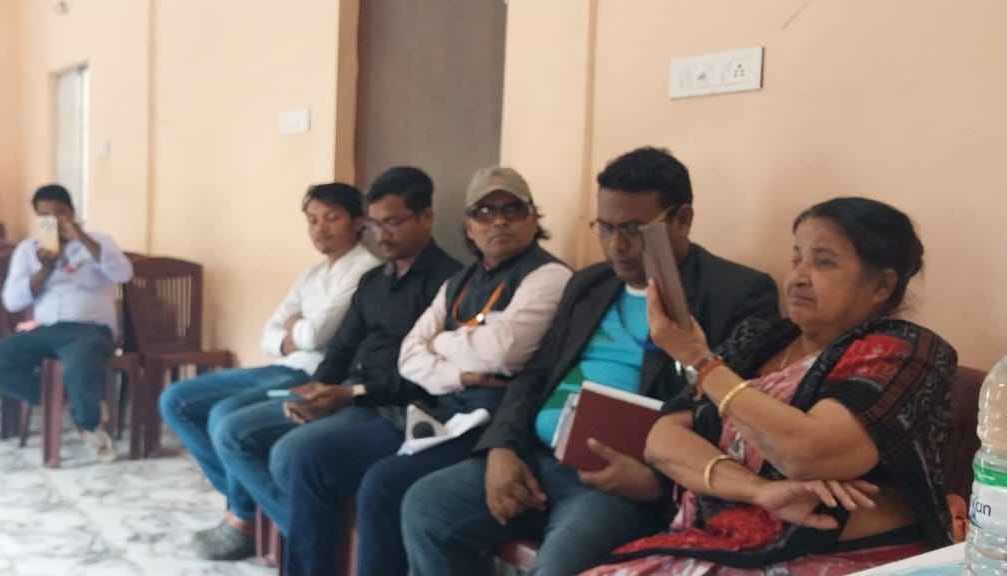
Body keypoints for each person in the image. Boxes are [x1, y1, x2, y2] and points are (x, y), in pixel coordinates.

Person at [401, 147, 781, 576]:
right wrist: (502, 447)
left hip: (622, 483)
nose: (617, 246)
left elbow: (729, 416)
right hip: (537, 457)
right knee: (425, 506)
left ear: (682, 219)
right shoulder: (590, 284)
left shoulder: (736, 294)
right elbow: (537, 374)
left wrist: (656, 482)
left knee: (559, 564)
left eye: (634, 230)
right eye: (605, 227)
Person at [583, 197, 957, 575]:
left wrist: (702, 361)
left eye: (823, 262)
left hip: (836, 556)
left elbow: (805, 453)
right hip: (725, 542)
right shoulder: (762, 338)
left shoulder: (906, 352)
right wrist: (758, 490)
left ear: (881, 285)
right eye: (796, 258)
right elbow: (663, 440)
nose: (798, 276)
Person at [286, 166, 573, 576]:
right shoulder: (462, 280)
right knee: (314, 459)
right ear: (468, 226)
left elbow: (503, 351)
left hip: (493, 422)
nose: (499, 222)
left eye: (512, 210)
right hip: (441, 409)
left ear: (532, 217)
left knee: (383, 484)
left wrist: (439, 343)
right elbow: (410, 356)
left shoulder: (548, 275)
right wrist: (459, 373)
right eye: (485, 212)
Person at [207, 166, 462, 565]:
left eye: (393, 223)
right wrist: (316, 391)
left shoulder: (450, 283)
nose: (381, 235)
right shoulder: (374, 280)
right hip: (350, 397)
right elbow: (341, 349)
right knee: (239, 430)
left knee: (295, 455)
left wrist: (350, 393)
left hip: (401, 410)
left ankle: (316, 554)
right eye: (375, 224)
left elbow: (430, 375)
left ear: (426, 217)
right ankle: (304, 543)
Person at [161, 182, 380, 560]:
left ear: (359, 221)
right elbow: (270, 333)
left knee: (224, 416)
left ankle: (251, 521)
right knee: (176, 400)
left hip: (313, 376)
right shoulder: (312, 274)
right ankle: (246, 507)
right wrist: (295, 334)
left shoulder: (364, 270)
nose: (320, 229)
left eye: (332, 218)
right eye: (312, 220)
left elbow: (318, 334)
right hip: (281, 366)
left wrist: (295, 330)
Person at [0, 184, 133, 461]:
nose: (54, 221)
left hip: (90, 329)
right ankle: (68, 401)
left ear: (71, 212)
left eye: (60, 213)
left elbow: (123, 274)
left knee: (80, 361)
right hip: (44, 330)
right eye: (45, 216)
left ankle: (89, 425)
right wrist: (45, 270)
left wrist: (82, 238)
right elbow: (12, 301)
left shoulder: (99, 242)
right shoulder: (28, 250)